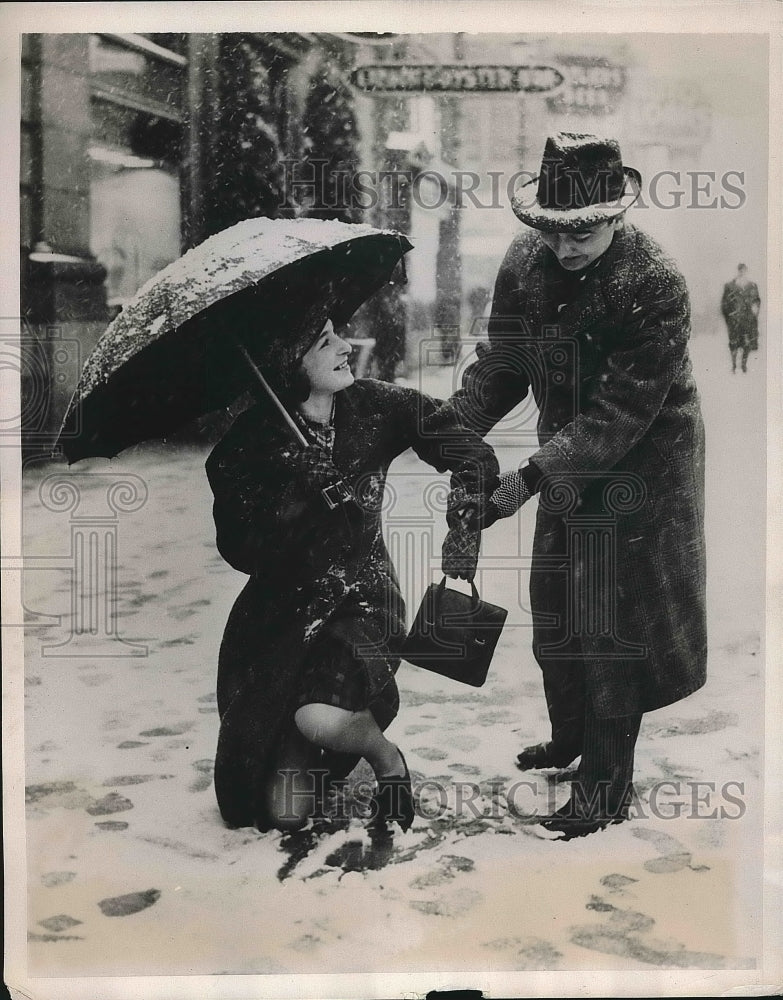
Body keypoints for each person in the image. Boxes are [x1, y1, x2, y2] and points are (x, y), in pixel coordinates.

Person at [444, 133, 708, 838]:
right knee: (554, 599)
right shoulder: (525, 262)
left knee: (607, 619)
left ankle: (603, 788)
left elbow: (619, 413)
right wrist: (455, 426)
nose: (565, 247)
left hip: (641, 465)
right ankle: (570, 737)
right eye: (552, 231)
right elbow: (504, 361)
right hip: (564, 455)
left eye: (583, 232)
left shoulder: (653, 281)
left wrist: (525, 480)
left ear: (616, 213)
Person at [205, 294, 499, 834]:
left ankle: (387, 761)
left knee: (319, 717)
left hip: (364, 599)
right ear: (288, 366)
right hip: (280, 621)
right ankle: (318, 740)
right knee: (278, 812)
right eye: (324, 342)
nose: (345, 347)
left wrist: (464, 521)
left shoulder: (378, 407)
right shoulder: (245, 449)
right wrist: (300, 496)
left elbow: (472, 454)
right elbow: (240, 549)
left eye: (336, 333)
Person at [721, 263, 761, 373]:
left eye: (744, 270)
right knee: (733, 343)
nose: (742, 272)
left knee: (746, 343)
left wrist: (755, 311)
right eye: (740, 270)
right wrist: (728, 318)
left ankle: (744, 365)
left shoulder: (752, 286)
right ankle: (734, 365)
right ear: (738, 271)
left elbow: (757, 301)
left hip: (747, 320)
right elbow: (724, 304)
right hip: (734, 320)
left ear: (746, 271)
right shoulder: (730, 286)